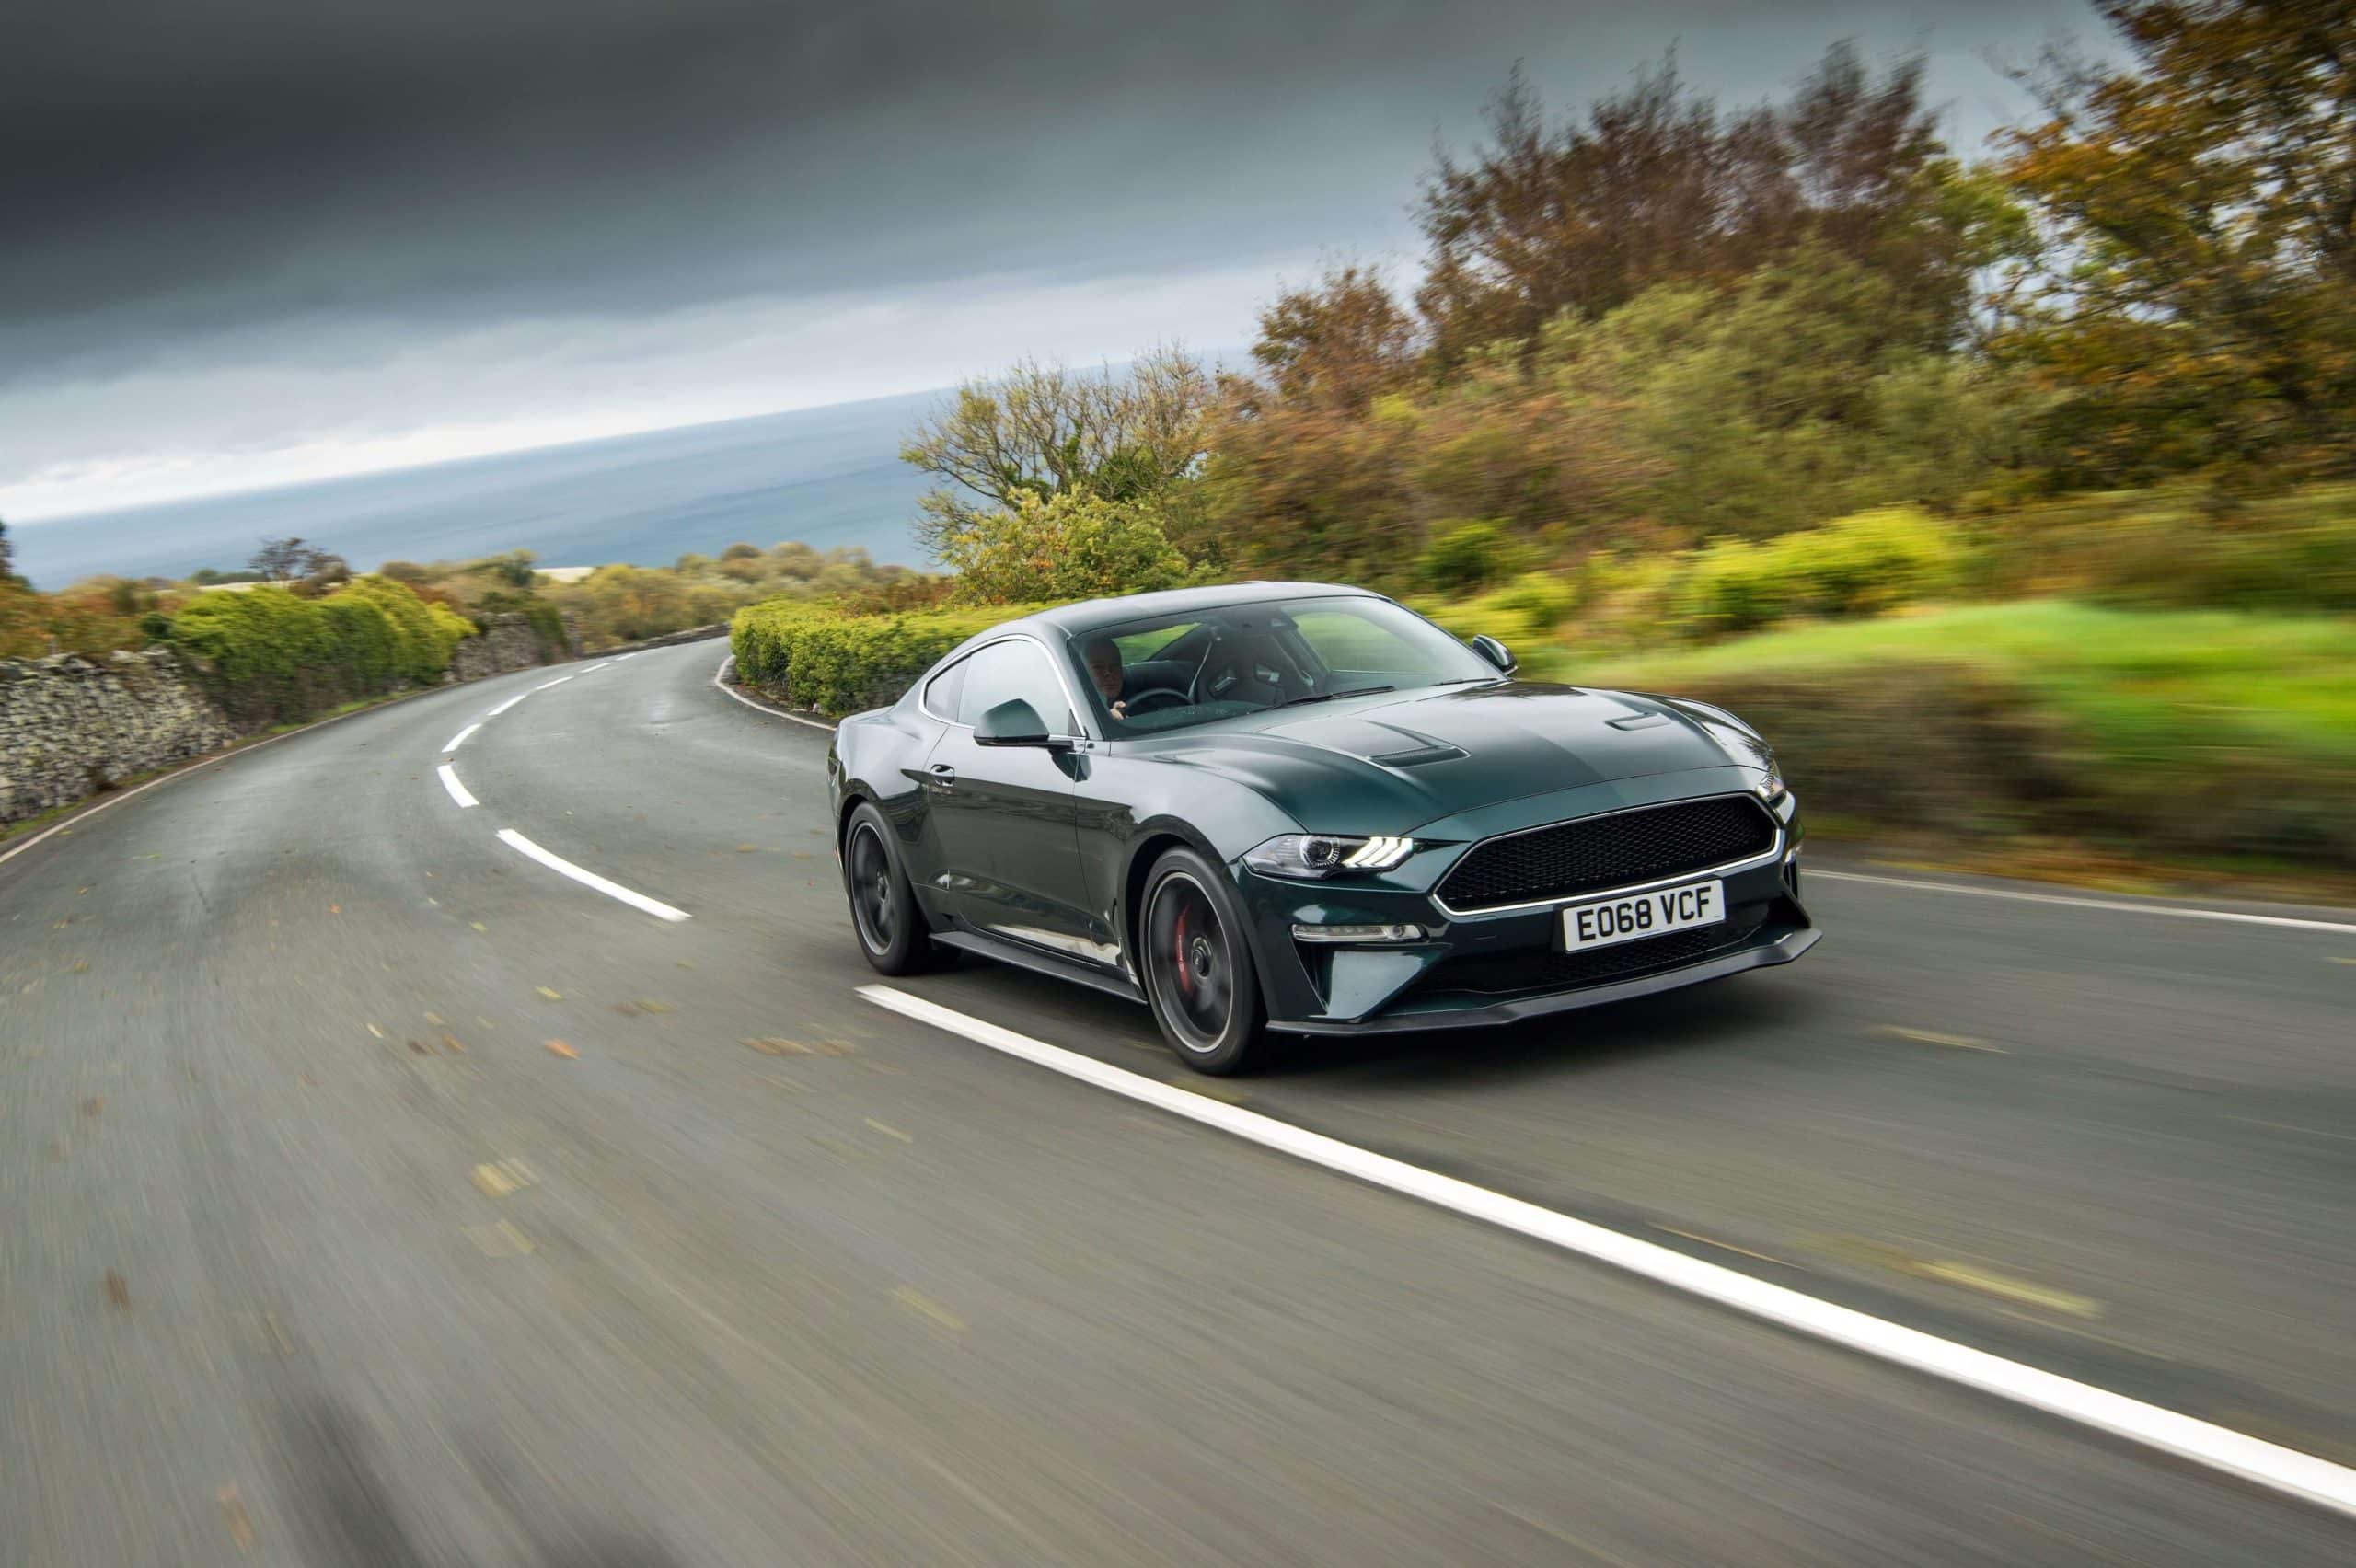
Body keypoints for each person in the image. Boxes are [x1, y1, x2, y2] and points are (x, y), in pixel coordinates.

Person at [1081, 637, 1127, 720]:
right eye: (1098, 667)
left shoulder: (1146, 704)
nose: (1108, 673)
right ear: (1083, 672)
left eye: (1114, 665)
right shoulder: (1078, 711)